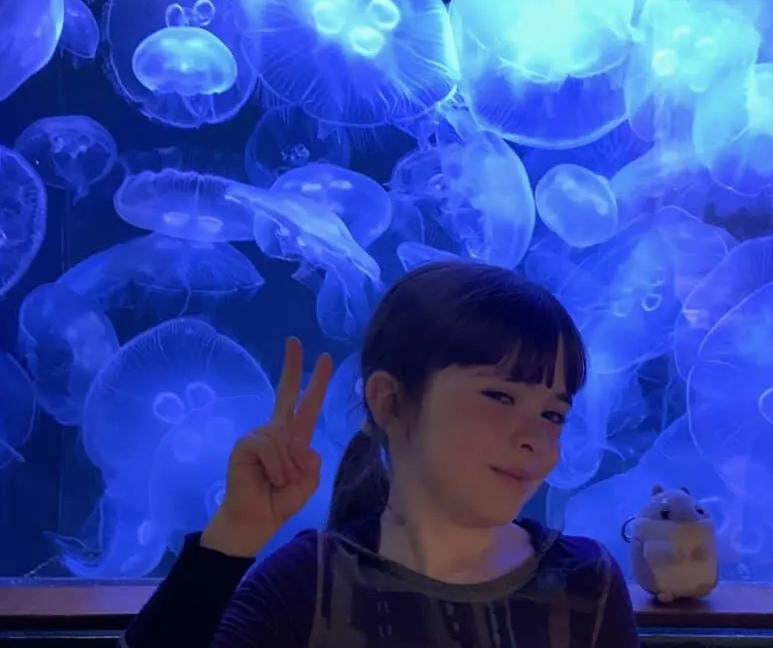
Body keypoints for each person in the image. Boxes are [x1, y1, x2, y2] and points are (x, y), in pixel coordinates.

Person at [122, 260, 640, 648]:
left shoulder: (587, 584)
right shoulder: (308, 582)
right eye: (501, 397)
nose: (535, 438)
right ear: (390, 400)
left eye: (552, 413)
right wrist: (230, 537)